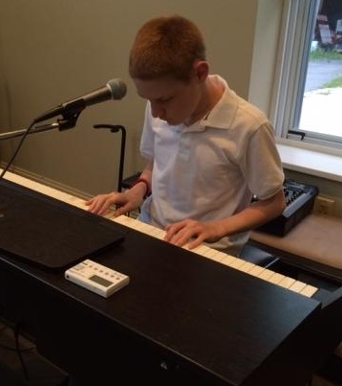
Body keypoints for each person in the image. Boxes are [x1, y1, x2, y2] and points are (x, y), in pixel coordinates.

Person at [86, 14, 286, 255]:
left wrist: (215, 228)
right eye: (149, 99)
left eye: (164, 100)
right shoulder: (157, 107)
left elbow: (274, 203)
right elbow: (157, 163)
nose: (156, 112)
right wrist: (138, 190)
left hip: (207, 249)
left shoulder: (250, 126)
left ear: (200, 73)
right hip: (152, 229)